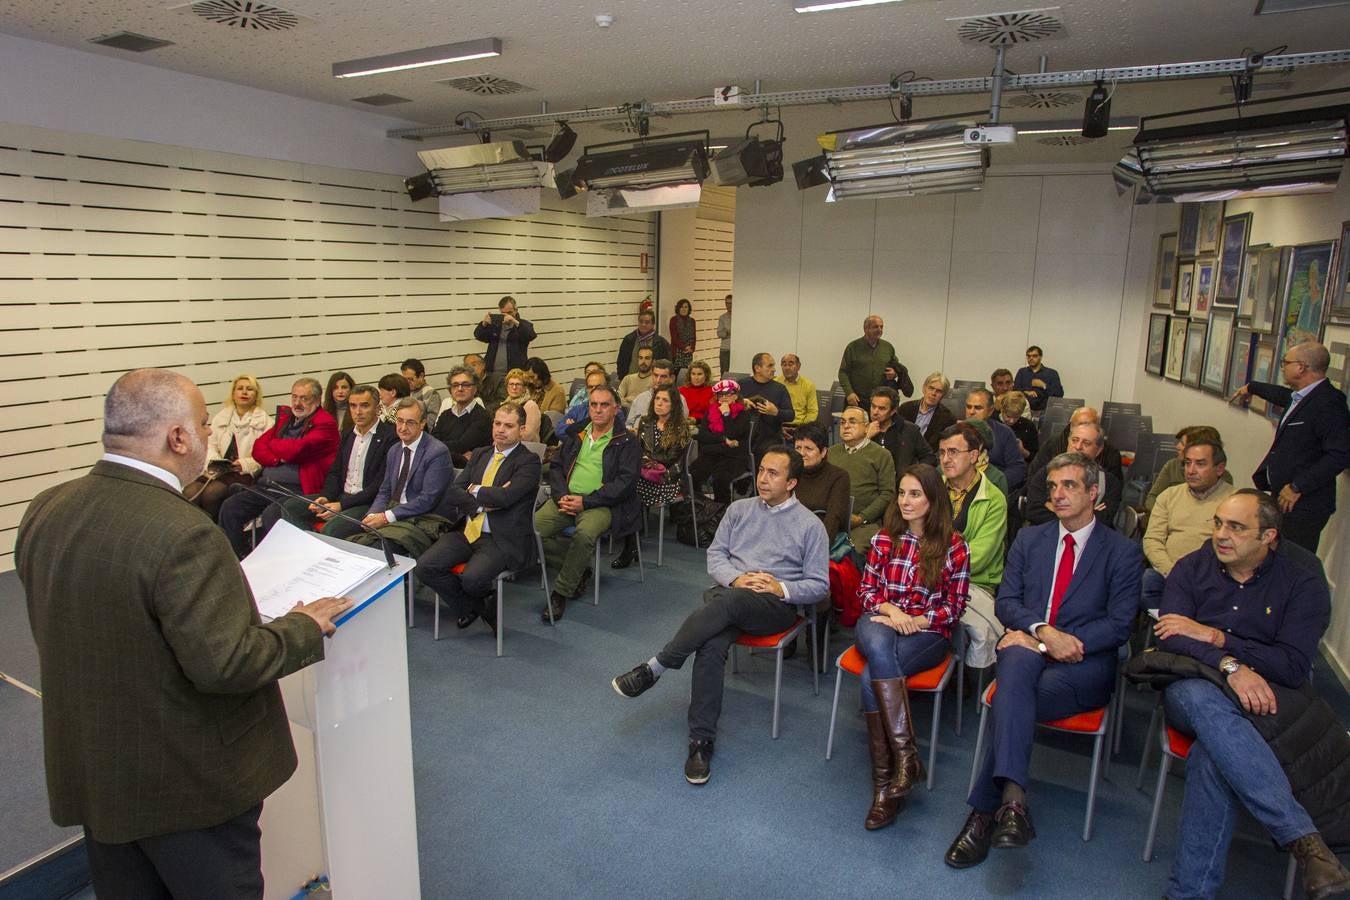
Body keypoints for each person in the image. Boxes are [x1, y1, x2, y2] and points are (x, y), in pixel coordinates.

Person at [15, 368, 350, 900]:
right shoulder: (184, 532)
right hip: (188, 787)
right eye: (202, 426)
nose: (208, 439)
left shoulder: (46, 507)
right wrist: (301, 627)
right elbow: (228, 664)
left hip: (98, 771)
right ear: (177, 438)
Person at [944, 452, 1140, 870]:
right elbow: (1009, 603)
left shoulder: (1120, 552)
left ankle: (983, 813)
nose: (1058, 494)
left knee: (1011, 701)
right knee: (1015, 664)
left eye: (1069, 485)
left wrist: (1055, 643)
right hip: (1029, 645)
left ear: (1093, 492)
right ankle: (1012, 805)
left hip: (1084, 664)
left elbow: (1120, 625)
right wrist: (1042, 633)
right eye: (1052, 487)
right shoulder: (1031, 540)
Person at [1153, 490, 1349, 900]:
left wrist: (1215, 636)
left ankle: (1187, 894)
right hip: (1195, 687)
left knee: (1214, 754)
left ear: (1269, 536)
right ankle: (1302, 839)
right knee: (1204, 703)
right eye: (1219, 523)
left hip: (1268, 698)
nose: (1222, 535)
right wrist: (1232, 667)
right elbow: (1173, 639)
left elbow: (1293, 666)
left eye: (1237, 527)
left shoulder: (1302, 583)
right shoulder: (1192, 568)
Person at [610, 445, 829, 785]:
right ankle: (700, 742)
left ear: (792, 483)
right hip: (730, 593)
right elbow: (715, 557)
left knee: (723, 605)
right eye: (761, 471)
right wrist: (738, 579)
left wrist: (778, 587)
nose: (763, 478)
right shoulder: (739, 510)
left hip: (773, 607)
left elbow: (818, 585)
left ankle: (656, 667)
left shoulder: (810, 525)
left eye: (773, 473)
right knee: (712, 643)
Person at [855, 463, 970, 829]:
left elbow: (954, 606)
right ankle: (906, 760)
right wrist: (891, 610)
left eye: (915, 494)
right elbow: (866, 592)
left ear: (933, 499)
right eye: (902, 493)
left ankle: (883, 789)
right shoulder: (882, 539)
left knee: (870, 676)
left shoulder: (954, 546)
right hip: (880, 622)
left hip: (927, 633)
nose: (905, 501)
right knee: (876, 639)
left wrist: (914, 621)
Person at [415, 404, 543, 635]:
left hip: (501, 536)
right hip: (469, 528)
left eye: (509, 425)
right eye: (497, 423)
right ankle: (476, 606)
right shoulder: (481, 453)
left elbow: (507, 497)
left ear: (522, 430)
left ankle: (474, 600)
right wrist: (484, 499)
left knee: (472, 578)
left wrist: (474, 489)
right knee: (425, 567)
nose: (501, 430)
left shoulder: (529, 461)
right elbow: (454, 491)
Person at [1231, 341, 1350, 552]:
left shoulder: (1329, 402)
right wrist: (1252, 388)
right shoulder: (1303, 397)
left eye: (1286, 363)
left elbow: (1340, 455)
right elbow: (1282, 396)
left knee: (1293, 562)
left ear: (1302, 367)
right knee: (1275, 555)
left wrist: (1298, 486)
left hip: (1304, 503)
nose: (1283, 367)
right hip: (1284, 498)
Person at [536, 384, 640, 621]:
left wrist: (586, 501)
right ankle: (578, 567)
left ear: (615, 409)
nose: (598, 410)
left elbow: (625, 484)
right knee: (531, 530)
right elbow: (556, 467)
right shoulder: (577, 433)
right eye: (594, 404)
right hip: (566, 498)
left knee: (584, 535)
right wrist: (561, 495)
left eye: (604, 405)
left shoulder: (626, 441)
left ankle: (561, 592)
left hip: (601, 504)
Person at [217, 377, 340, 559]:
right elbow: (258, 448)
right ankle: (242, 558)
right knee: (230, 507)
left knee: (271, 515)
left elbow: (297, 451)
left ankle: (275, 563)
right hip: (267, 486)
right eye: (294, 397)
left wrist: (276, 446)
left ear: (317, 400)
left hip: (298, 491)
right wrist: (279, 456)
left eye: (304, 398)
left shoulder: (326, 423)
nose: (297, 403)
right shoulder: (286, 419)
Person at [262, 383, 397, 541]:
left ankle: (315, 549)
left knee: (331, 530)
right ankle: (311, 547)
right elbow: (335, 472)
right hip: (340, 497)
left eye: (364, 406)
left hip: (366, 503)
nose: (358, 412)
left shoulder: (389, 437)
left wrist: (341, 506)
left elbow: (379, 486)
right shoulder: (348, 434)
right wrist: (326, 497)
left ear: (377, 408)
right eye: (353, 406)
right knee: (287, 508)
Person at [349, 397, 455, 558]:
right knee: (345, 535)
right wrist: (373, 514)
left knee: (376, 548)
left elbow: (427, 500)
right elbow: (385, 491)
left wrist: (385, 517)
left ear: (422, 423)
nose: (403, 427)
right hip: (395, 512)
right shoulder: (394, 450)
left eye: (410, 422)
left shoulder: (437, 452)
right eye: (399, 421)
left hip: (426, 518)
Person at [1140, 436, 1235, 611]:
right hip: (1168, 573)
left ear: (1219, 468)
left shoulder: (1234, 501)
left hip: (1212, 578)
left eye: (1200, 464)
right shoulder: (1169, 495)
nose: (1190, 470)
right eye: (1187, 463)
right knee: (1147, 583)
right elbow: (1152, 539)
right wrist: (1172, 572)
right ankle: (1166, 629)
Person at [615, 384, 692, 569]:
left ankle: (631, 544)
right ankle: (632, 543)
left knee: (631, 495)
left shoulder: (681, 427)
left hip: (667, 480)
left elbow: (668, 459)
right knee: (626, 491)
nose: (659, 403)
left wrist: (644, 459)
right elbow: (637, 449)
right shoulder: (646, 421)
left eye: (665, 400)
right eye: (657, 399)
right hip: (644, 476)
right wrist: (644, 459)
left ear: (673, 404)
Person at [184, 374, 272, 521]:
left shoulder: (266, 422)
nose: (244, 392)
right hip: (218, 472)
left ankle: (215, 533)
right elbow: (210, 444)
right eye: (240, 389)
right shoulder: (221, 417)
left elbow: (267, 456)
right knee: (190, 491)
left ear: (256, 395)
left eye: (249, 389)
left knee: (212, 493)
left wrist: (244, 464)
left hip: (243, 475)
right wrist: (216, 461)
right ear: (233, 394)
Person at [1025, 421, 1121, 529]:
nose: (1078, 446)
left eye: (1086, 443)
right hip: (1046, 535)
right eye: (1074, 440)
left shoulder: (1110, 482)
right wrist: (1087, 513)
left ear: (1098, 450)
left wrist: (1054, 508)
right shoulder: (1047, 472)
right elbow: (1032, 511)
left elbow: (1103, 520)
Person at [827, 406, 898, 550]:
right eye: (842, 422)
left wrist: (862, 518)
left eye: (852, 422)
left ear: (866, 427)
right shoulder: (830, 453)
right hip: (831, 518)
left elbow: (887, 494)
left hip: (866, 522)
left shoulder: (881, 455)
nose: (846, 426)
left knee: (850, 552)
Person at [691, 379, 755, 503]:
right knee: (693, 473)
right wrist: (723, 439)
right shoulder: (710, 411)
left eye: (728, 393)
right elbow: (702, 435)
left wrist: (726, 415)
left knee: (720, 479)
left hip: (733, 457)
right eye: (721, 394)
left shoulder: (743, 414)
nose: (724, 397)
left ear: (736, 396)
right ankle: (701, 508)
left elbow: (733, 433)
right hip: (711, 453)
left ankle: (721, 513)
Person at [1144, 426, 1230, 512]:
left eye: (1182, 444)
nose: (1177, 446)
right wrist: (1166, 513)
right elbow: (1152, 498)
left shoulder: (1223, 479)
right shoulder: (1172, 465)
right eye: (1188, 463)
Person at [1030, 406, 1124, 481]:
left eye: (1086, 442)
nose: (1078, 446)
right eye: (1079, 426)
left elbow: (1114, 489)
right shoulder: (1052, 444)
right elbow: (1033, 477)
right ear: (1070, 425)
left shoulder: (1111, 452)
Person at [839, 314, 913, 406]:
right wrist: (849, 393)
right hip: (858, 399)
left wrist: (895, 373)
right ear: (866, 329)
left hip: (880, 402)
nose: (879, 330)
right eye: (875, 327)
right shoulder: (853, 347)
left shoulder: (888, 347)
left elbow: (896, 366)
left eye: (881, 327)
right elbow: (843, 373)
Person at [964, 388, 1026, 491]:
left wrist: (995, 484)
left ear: (990, 411)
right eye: (968, 407)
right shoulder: (954, 432)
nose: (971, 412)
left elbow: (1017, 469)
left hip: (993, 488)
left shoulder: (1005, 433)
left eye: (978, 408)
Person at [869, 385, 936, 474]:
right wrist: (866, 437)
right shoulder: (862, 428)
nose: (875, 412)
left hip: (898, 483)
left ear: (893, 411)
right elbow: (850, 457)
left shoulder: (910, 430)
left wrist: (914, 475)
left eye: (882, 408)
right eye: (873, 406)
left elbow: (929, 457)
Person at [434, 366, 493, 466]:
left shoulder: (482, 416)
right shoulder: (445, 414)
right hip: (442, 465)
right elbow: (432, 442)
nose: (460, 389)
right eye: (455, 385)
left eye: (466, 385)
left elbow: (462, 445)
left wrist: (442, 449)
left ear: (475, 388)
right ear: (450, 390)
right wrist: (459, 456)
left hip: (470, 471)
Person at [737, 352, 794, 449]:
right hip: (742, 434)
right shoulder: (741, 385)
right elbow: (727, 406)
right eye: (770, 366)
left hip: (769, 437)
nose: (774, 369)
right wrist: (741, 403)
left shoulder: (780, 388)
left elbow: (791, 415)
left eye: (774, 365)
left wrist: (776, 412)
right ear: (757, 368)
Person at [557, 368, 628, 439]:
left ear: (608, 387)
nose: (594, 390)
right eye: (590, 387)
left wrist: (574, 427)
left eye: (598, 387)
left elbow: (604, 437)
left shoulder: (614, 411)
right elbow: (558, 430)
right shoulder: (579, 408)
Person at [473, 295, 536, 375]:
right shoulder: (496, 324)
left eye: (509, 312)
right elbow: (479, 336)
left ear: (516, 310)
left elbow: (531, 335)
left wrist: (515, 322)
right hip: (492, 373)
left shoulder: (524, 324)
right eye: (504, 313)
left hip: (515, 374)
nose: (507, 316)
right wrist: (484, 324)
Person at [899, 372, 957, 452]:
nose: (933, 393)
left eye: (939, 391)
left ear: (944, 395)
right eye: (931, 388)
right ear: (924, 388)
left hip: (927, 458)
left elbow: (942, 448)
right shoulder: (905, 408)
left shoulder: (948, 418)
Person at [616, 309, 672, 377]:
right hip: (631, 381)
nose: (643, 324)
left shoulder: (662, 343)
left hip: (653, 382)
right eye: (641, 321)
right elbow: (621, 363)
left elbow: (667, 366)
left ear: (653, 324)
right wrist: (623, 379)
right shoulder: (628, 340)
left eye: (647, 322)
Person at [775, 353, 818, 435]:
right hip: (778, 426)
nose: (787, 368)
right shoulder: (775, 382)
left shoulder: (808, 385)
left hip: (800, 427)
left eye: (791, 364)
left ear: (798, 366)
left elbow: (812, 412)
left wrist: (801, 428)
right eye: (784, 364)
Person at [1012, 345, 1064, 412]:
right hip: (1024, 410)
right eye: (1028, 356)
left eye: (1034, 356)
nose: (1031, 358)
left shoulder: (1052, 373)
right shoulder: (1022, 372)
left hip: (1044, 411)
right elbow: (1015, 390)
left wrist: (1044, 385)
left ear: (1040, 357)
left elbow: (1059, 394)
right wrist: (1027, 392)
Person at [500, 367, 542, 443]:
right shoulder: (505, 405)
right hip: (508, 444)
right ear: (507, 387)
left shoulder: (530, 405)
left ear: (525, 387)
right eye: (511, 384)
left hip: (527, 447)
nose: (514, 387)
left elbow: (528, 435)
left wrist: (504, 437)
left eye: (518, 384)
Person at [995, 390, 1037, 461]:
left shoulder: (1028, 426)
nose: (1012, 421)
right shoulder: (993, 423)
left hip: (1018, 464)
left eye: (1016, 417)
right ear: (1002, 410)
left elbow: (1034, 458)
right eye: (1008, 416)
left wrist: (1023, 451)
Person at [401, 358, 442, 429]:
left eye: (410, 379)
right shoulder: (405, 391)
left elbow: (431, 424)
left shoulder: (431, 394)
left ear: (421, 376)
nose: (407, 383)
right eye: (404, 379)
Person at [669, 297, 697, 375]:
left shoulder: (692, 321)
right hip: (677, 353)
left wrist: (692, 348)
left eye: (686, 307)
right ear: (678, 308)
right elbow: (674, 338)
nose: (684, 309)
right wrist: (684, 347)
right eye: (681, 307)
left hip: (688, 353)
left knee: (686, 375)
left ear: (689, 309)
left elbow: (694, 337)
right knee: (677, 375)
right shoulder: (673, 320)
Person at [716, 294, 732, 375]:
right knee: (724, 373)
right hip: (725, 349)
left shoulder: (739, 316)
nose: (728, 305)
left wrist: (727, 332)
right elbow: (719, 333)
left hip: (736, 350)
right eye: (726, 303)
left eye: (730, 303)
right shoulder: (722, 317)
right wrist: (727, 332)